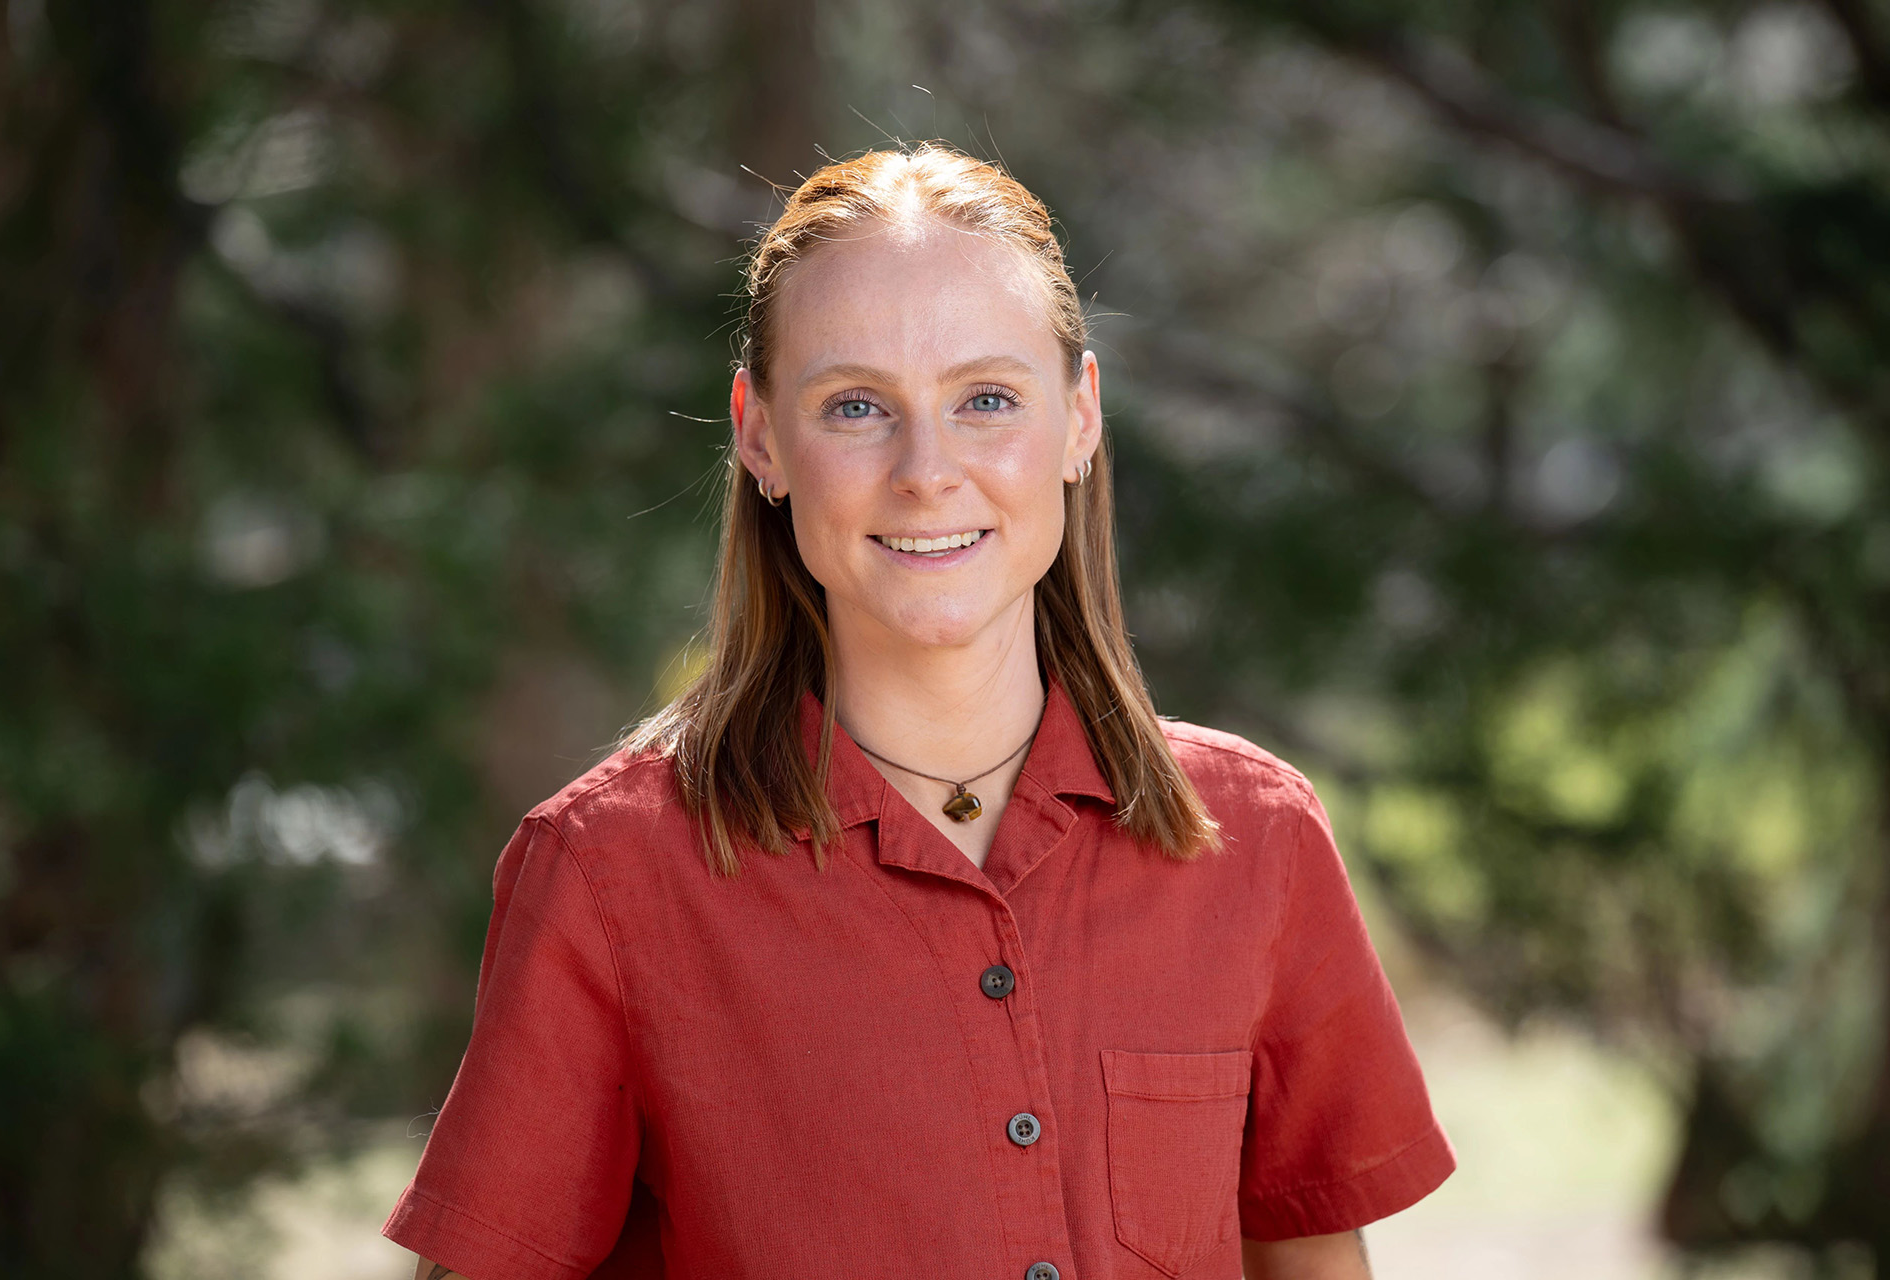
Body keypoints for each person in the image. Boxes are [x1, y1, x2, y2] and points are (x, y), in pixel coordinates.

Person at [384, 143, 1454, 1280]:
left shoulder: (1259, 839)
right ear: (759, 435)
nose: (927, 469)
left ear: (1081, 417)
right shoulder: (608, 874)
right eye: (856, 406)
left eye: (987, 397)